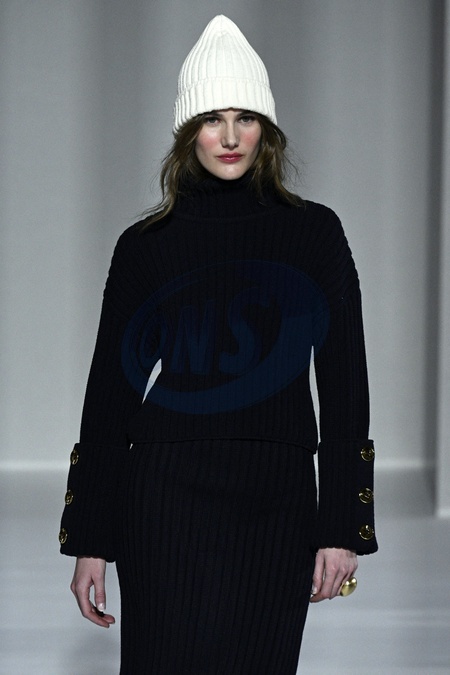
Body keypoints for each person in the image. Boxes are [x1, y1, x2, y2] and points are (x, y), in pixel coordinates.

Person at [59, 14, 377, 674]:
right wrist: (91, 537)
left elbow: (345, 382)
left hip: (276, 502)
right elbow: (110, 394)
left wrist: (342, 527)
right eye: (212, 119)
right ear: (187, 132)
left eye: (245, 118)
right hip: (165, 499)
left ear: (267, 129)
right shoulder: (147, 245)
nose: (230, 137)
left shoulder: (314, 235)